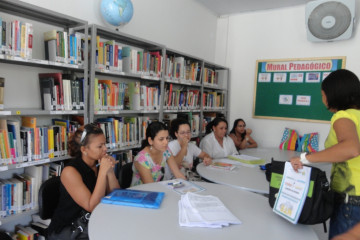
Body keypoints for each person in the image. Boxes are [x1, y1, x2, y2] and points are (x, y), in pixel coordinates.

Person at [290, 69, 360, 239]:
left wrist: (304, 158)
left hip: (350, 200)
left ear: (333, 94)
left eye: (323, 94)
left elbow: (351, 148)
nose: (322, 99)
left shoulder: (342, 116)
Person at [48, 123, 120, 240]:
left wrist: (110, 171)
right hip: (68, 230)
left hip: (90, 222)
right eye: (99, 146)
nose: (105, 149)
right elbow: (92, 206)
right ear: (84, 149)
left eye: (105, 144)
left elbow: (117, 196)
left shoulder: (97, 164)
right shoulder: (70, 172)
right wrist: (102, 172)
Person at [131, 121, 186, 186]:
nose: (166, 142)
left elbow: (178, 174)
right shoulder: (141, 159)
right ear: (150, 141)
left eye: (167, 138)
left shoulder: (165, 151)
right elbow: (151, 186)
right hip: (142, 193)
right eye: (161, 139)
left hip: (158, 189)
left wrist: (188, 187)